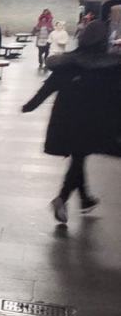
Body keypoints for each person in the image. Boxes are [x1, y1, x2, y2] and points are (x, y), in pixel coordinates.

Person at [22, 21, 120, 223]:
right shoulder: (110, 67)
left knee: (79, 157)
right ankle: (63, 198)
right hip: (95, 122)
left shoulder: (68, 63)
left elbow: (48, 88)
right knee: (79, 157)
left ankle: (83, 199)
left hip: (67, 121)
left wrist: (30, 106)